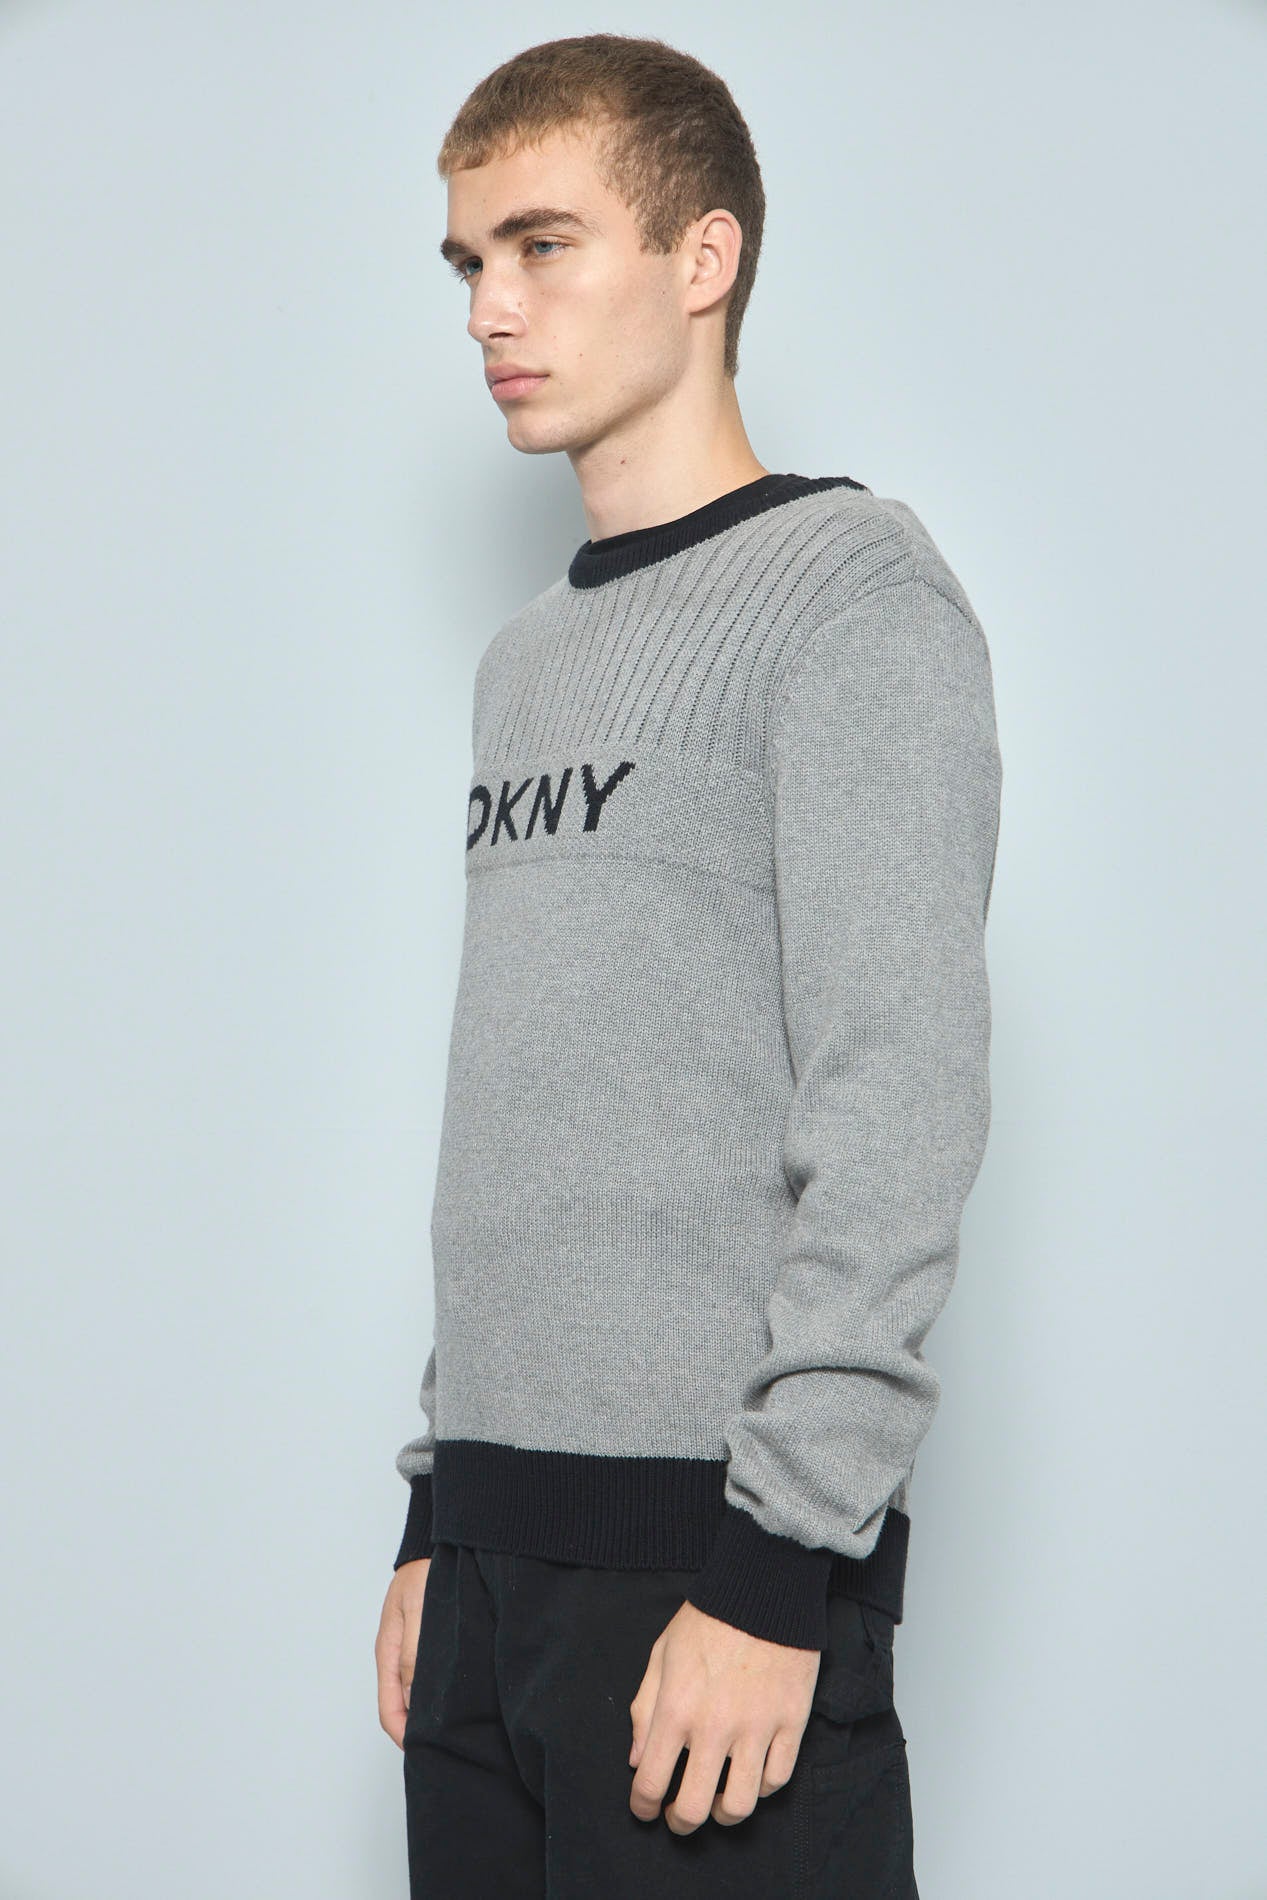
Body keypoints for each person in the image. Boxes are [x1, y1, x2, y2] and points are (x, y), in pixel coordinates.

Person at [373, 31, 1002, 1899]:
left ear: (702, 256)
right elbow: (534, 1100)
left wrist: (780, 1565)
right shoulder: (526, 663)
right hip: (485, 1573)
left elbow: (898, 1097)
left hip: (709, 1569)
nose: (489, 309)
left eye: (543, 246)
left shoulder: (853, 595)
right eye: (470, 262)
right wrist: (436, 1510)